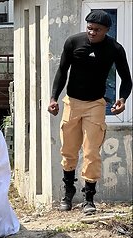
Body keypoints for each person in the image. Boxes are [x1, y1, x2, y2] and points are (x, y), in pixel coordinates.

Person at [48, 10, 132, 215]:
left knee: (91, 152)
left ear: (106, 30)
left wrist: (122, 99)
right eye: (89, 28)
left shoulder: (115, 49)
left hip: (96, 105)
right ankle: (68, 194)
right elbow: (61, 71)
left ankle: (88, 199)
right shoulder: (73, 42)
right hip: (72, 103)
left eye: (97, 30)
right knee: (68, 151)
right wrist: (53, 98)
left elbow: (126, 78)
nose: (92, 33)